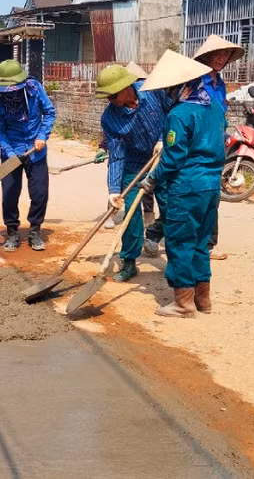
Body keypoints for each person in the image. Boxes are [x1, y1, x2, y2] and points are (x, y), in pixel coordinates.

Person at [139, 50, 225, 317]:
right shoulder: (214, 108)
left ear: (180, 86)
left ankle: (183, 303)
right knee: (201, 242)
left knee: (180, 242)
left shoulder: (180, 114)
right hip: (210, 186)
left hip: (186, 187)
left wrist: (151, 179)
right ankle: (204, 300)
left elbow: (174, 158)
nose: (167, 94)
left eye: (169, 89)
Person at [94, 64, 170, 282]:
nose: (111, 101)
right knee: (130, 213)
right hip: (134, 163)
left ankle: (176, 260)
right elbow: (117, 155)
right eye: (107, 97)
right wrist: (114, 191)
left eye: (112, 95)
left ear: (126, 86)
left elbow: (173, 113)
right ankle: (129, 262)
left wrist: (164, 138)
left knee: (171, 208)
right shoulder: (110, 118)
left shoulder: (151, 90)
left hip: (164, 156)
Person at [0, 59, 55, 251]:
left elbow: (49, 112)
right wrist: (10, 153)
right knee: (9, 193)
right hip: (11, 150)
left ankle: (35, 231)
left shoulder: (35, 90)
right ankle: (12, 232)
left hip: (37, 150)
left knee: (40, 194)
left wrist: (42, 135)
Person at [192, 34, 245, 260]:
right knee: (191, 195)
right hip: (195, 144)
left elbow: (220, 112)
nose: (222, 58)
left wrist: (223, 132)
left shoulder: (220, 84)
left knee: (213, 196)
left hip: (215, 144)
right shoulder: (194, 81)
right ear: (207, 56)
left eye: (225, 55)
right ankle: (157, 233)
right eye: (218, 54)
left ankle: (209, 244)